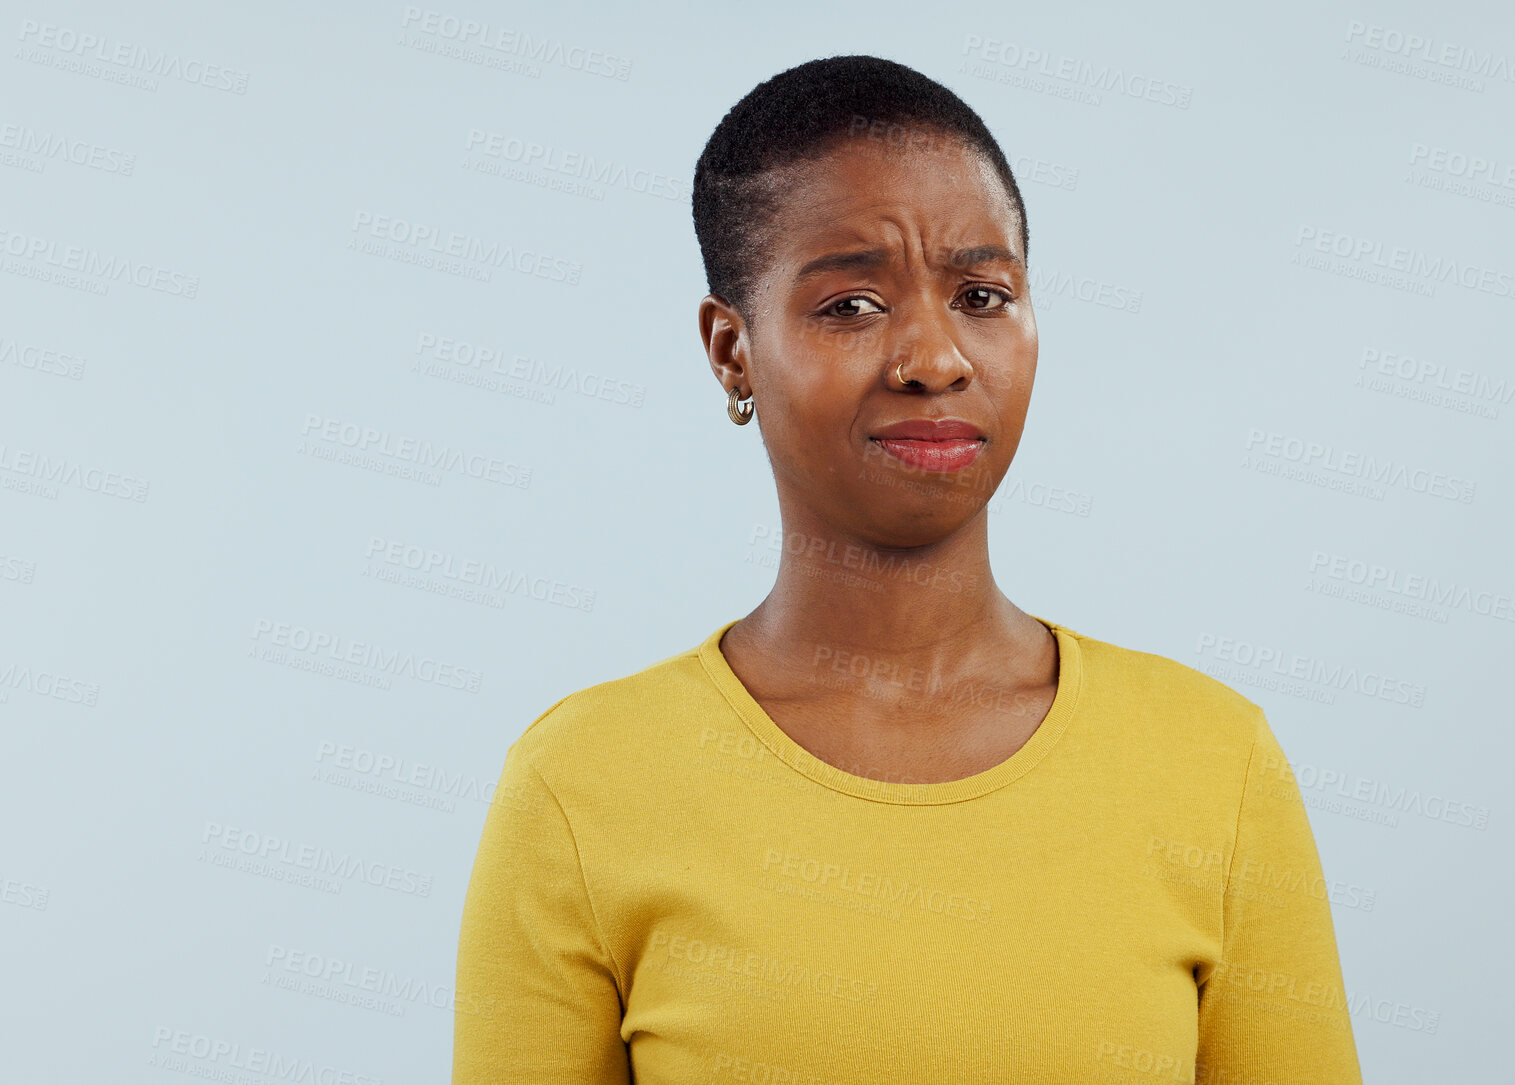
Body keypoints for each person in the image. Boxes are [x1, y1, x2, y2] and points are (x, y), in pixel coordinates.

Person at [453, 54, 1363, 1084]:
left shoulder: (1214, 763)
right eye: (850, 304)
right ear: (730, 350)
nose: (934, 357)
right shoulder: (581, 784)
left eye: (982, 293)